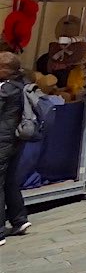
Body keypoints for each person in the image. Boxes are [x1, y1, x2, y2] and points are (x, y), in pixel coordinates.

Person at [0, 52, 31, 246]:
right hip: (14, 140)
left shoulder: (7, 89)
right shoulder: (22, 83)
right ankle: (19, 220)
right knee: (9, 180)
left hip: (3, 140)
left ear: (6, 70)